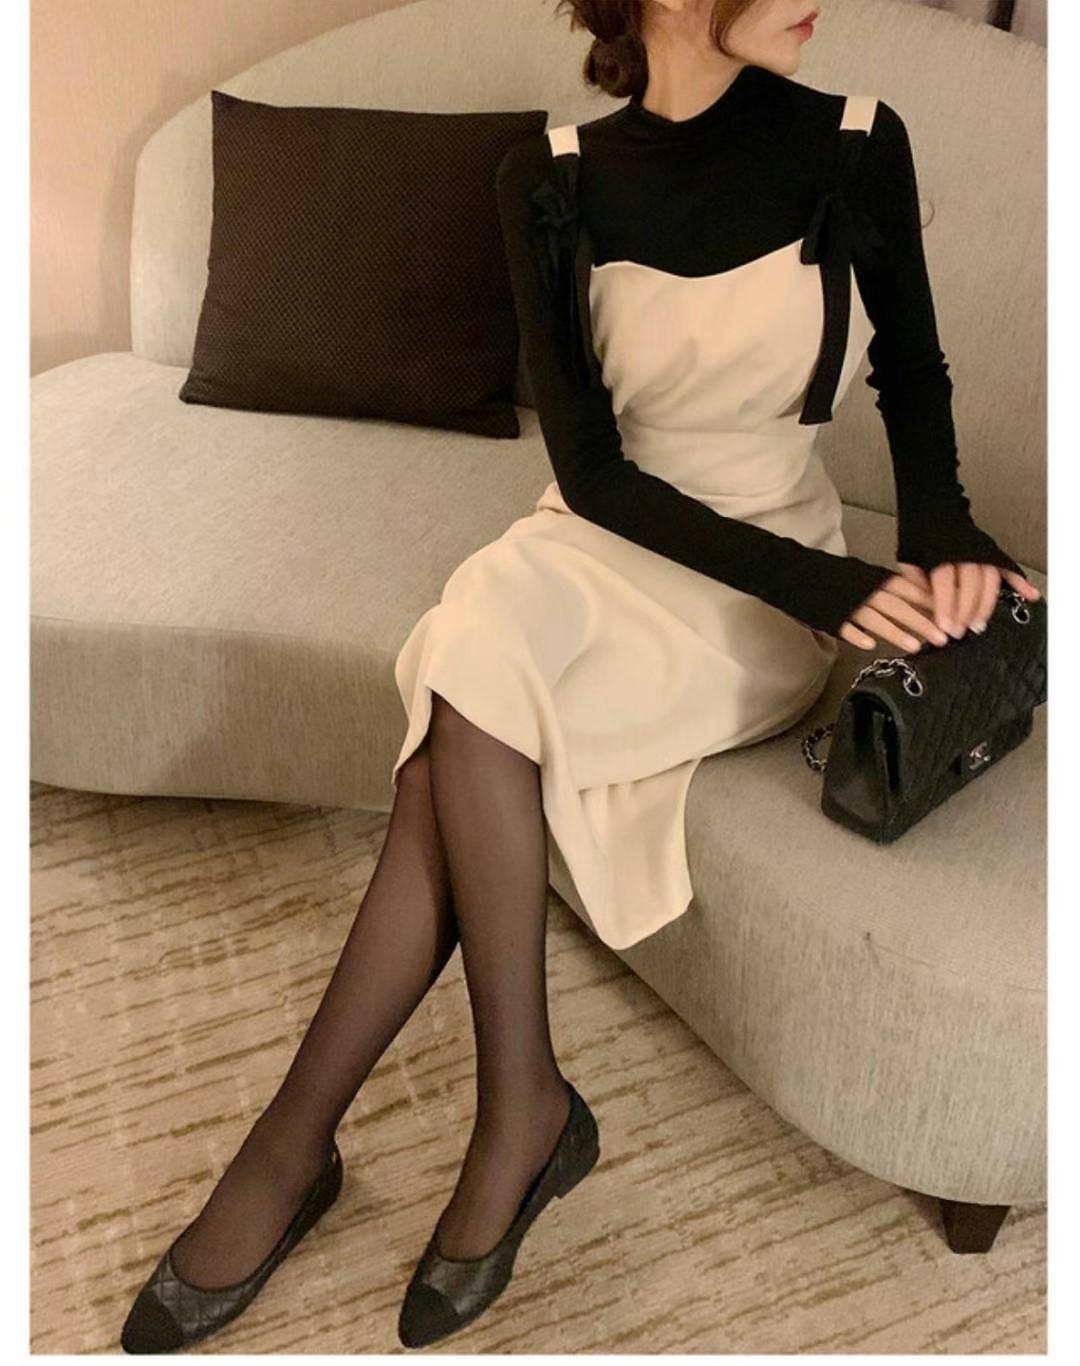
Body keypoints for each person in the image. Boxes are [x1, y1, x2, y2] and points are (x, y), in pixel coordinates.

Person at [120, 0, 1042, 1354]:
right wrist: (835, 589)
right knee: (477, 650)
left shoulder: (854, 143)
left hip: (761, 586)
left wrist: (932, 545)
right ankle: (510, 1111)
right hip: (602, 541)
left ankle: (321, 1143)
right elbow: (598, 476)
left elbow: (912, 375)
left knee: (464, 702)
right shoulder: (549, 178)